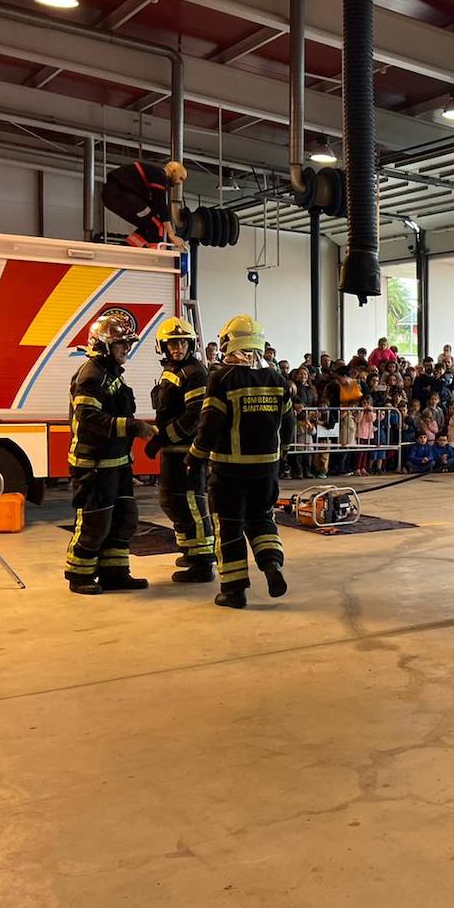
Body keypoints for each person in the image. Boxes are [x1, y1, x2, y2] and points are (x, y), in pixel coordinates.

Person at [190, 314, 294, 610]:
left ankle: (234, 591)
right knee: (262, 519)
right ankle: (271, 563)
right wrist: (282, 454)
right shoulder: (277, 379)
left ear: (228, 343)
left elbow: (210, 424)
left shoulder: (221, 377)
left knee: (229, 528)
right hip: (267, 470)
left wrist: (194, 457)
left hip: (229, 471)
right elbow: (289, 424)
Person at [63, 315, 157, 594]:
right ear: (104, 346)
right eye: (121, 344)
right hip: (93, 463)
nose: (126, 349)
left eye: (127, 344)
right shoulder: (90, 374)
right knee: (96, 521)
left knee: (125, 517)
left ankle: (114, 573)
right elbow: (89, 417)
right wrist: (132, 426)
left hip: (116, 463)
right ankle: (79, 575)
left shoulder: (111, 373)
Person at [143, 316, 214, 583]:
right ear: (164, 346)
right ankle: (190, 549)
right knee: (171, 501)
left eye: (183, 342)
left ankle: (203, 562)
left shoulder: (195, 373)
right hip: (173, 450)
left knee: (191, 504)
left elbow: (194, 416)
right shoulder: (173, 369)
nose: (178, 348)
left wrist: (162, 438)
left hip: (187, 451)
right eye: (173, 343)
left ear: (191, 344)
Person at [101, 159, 187, 249]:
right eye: (180, 178)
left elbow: (156, 206)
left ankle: (126, 248)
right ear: (173, 171)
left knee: (150, 225)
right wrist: (171, 234)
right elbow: (161, 205)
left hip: (112, 195)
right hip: (120, 193)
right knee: (157, 226)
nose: (180, 183)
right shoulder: (160, 175)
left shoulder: (153, 175)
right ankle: (152, 256)